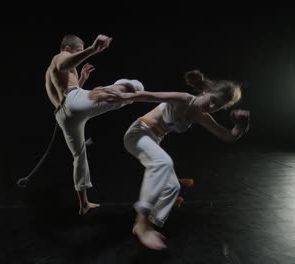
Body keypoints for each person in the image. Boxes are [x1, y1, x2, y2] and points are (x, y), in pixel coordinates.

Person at [91, 70, 250, 250]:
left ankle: (148, 224)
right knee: (164, 163)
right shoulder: (183, 98)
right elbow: (148, 96)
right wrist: (122, 95)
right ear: (206, 91)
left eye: (218, 106)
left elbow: (227, 136)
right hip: (138, 133)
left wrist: (242, 125)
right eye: (212, 100)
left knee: (173, 186)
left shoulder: (201, 116)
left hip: (153, 140)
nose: (212, 107)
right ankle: (141, 223)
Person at [45, 34, 145, 215]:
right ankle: (140, 95)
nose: (80, 55)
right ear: (67, 49)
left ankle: (83, 204)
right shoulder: (60, 57)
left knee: (79, 156)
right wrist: (92, 49)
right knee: (135, 86)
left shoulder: (56, 72)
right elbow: (63, 66)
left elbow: (65, 89)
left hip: (64, 115)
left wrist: (82, 79)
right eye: (78, 51)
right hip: (72, 101)